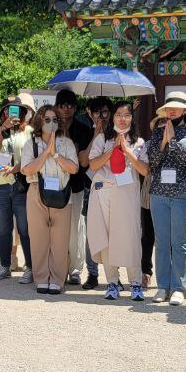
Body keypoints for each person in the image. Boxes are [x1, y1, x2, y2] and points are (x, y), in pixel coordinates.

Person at [142, 91, 186, 306]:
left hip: (182, 193)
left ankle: (178, 287)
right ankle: (162, 286)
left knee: (179, 242)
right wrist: (163, 141)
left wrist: (173, 141)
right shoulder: (157, 133)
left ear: (185, 110)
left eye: (176, 107)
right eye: (169, 107)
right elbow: (153, 162)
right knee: (161, 242)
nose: (172, 110)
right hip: (159, 193)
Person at [86, 100, 148, 301]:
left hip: (128, 194)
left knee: (130, 237)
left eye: (127, 115)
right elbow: (93, 163)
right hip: (104, 193)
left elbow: (145, 170)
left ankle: (136, 283)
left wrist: (126, 149)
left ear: (132, 117)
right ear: (112, 116)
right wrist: (113, 149)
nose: (122, 119)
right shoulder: (102, 139)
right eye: (119, 115)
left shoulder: (138, 142)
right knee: (107, 239)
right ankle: (112, 282)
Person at [22, 103, 80, 295]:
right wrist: (45, 151)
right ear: (39, 121)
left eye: (55, 119)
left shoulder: (67, 143)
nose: (51, 123)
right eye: (47, 119)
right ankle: (41, 277)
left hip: (62, 192)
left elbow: (73, 169)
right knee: (39, 238)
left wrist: (54, 153)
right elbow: (27, 170)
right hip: (37, 190)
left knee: (60, 239)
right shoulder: (31, 143)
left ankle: (57, 279)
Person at [0, 95, 34, 282]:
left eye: (14, 109)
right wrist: (2, 129)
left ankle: (29, 267)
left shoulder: (29, 132)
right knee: (4, 229)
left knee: (25, 229)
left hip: (22, 185)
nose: (10, 112)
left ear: (22, 112)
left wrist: (16, 168)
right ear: (2, 112)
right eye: (6, 109)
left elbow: (32, 158)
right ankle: (4, 266)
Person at [54, 89, 94, 287]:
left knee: (76, 228)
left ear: (76, 108)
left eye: (70, 105)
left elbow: (85, 162)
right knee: (56, 229)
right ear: (57, 106)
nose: (66, 109)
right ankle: (59, 267)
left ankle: (76, 269)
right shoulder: (50, 128)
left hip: (77, 185)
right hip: (53, 186)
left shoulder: (84, 129)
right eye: (63, 105)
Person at [81, 97, 113, 289]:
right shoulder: (85, 130)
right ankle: (92, 273)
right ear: (90, 114)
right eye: (97, 113)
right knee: (91, 231)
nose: (101, 117)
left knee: (114, 231)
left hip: (112, 186)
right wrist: (95, 135)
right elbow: (84, 162)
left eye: (105, 112)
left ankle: (113, 275)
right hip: (90, 185)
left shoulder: (118, 132)